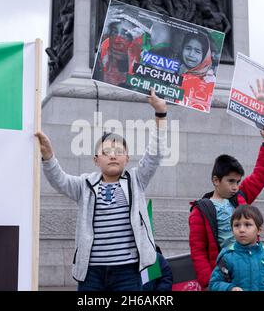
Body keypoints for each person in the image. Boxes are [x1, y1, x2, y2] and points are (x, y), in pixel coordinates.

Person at [35, 88, 168, 291]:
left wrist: (160, 114)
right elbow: (59, 180)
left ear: (127, 158)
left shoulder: (136, 179)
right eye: (106, 152)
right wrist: (48, 156)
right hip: (91, 273)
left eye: (119, 151)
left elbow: (155, 154)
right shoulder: (85, 184)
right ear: (96, 160)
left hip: (128, 271)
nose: (113, 155)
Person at [188, 126, 264, 290]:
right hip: (223, 275)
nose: (235, 186)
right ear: (216, 180)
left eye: (238, 182)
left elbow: (260, 175)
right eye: (230, 181)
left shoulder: (241, 197)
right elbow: (198, 252)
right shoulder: (200, 210)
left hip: (250, 267)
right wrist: (209, 283)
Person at [209, 205, 264, 291]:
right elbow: (214, 284)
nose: (241, 229)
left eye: (247, 224)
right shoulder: (227, 258)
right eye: (237, 225)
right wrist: (229, 288)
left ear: (259, 230)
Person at [97, 7, 148, 87]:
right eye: (114, 31)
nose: (117, 40)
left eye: (127, 35)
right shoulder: (99, 62)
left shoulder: (149, 78)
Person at [177, 32, 217, 112]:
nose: (191, 54)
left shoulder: (209, 80)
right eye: (188, 48)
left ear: (205, 55)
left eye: (197, 51)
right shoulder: (175, 70)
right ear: (182, 49)